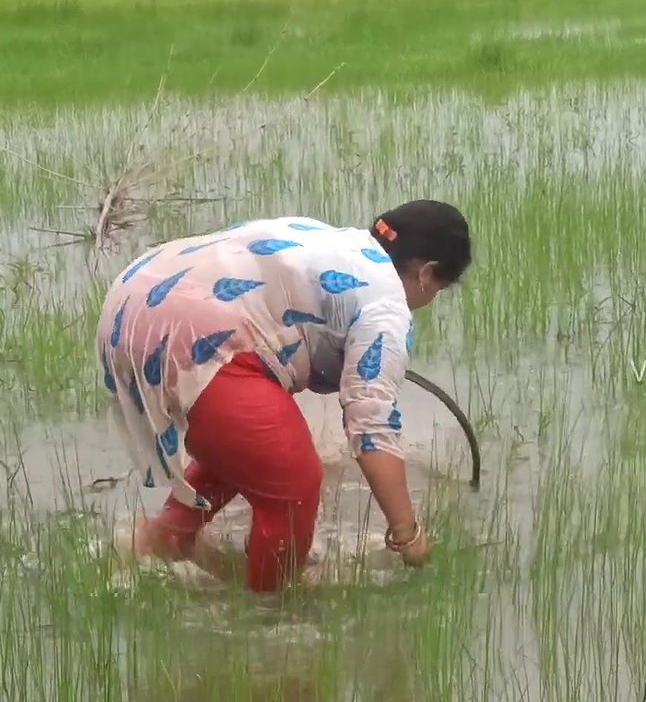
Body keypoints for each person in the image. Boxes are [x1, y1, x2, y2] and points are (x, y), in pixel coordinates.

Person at [98, 199, 472, 592]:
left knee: (259, 451)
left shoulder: (331, 240)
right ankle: (270, 614)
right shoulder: (386, 305)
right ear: (427, 274)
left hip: (132, 300)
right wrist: (408, 536)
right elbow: (371, 429)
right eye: (440, 289)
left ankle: (163, 539)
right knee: (294, 488)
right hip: (193, 336)